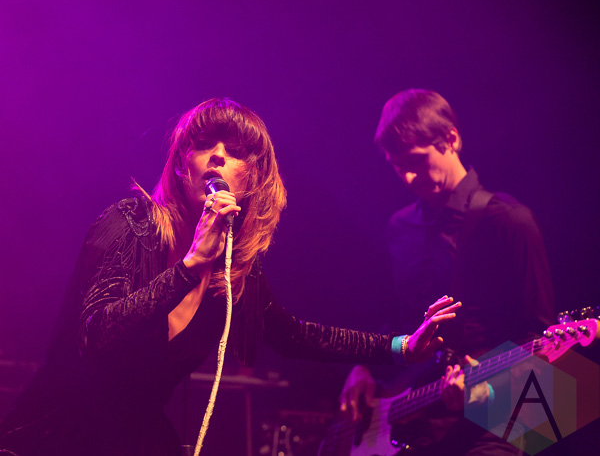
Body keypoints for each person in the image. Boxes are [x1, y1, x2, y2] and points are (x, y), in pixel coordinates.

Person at [0, 98, 460, 456]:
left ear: (252, 179)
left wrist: (402, 347)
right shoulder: (129, 222)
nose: (218, 157)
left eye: (235, 152)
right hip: (57, 434)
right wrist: (188, 267)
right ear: (181, 164)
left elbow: (295, 335)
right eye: (205, 146)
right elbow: (96, 334)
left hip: (134, 439)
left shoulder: (234, 272)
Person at [338, 90, 555, 455]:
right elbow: (392, 321)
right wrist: (363, 366)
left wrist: (488, 389)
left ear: (451, 139)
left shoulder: (509, 221)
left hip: (502, 418)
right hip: (419, 417)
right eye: (397, 166)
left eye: (416, 161)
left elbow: (541, 340)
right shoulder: (399, 227)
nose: (408, 177)